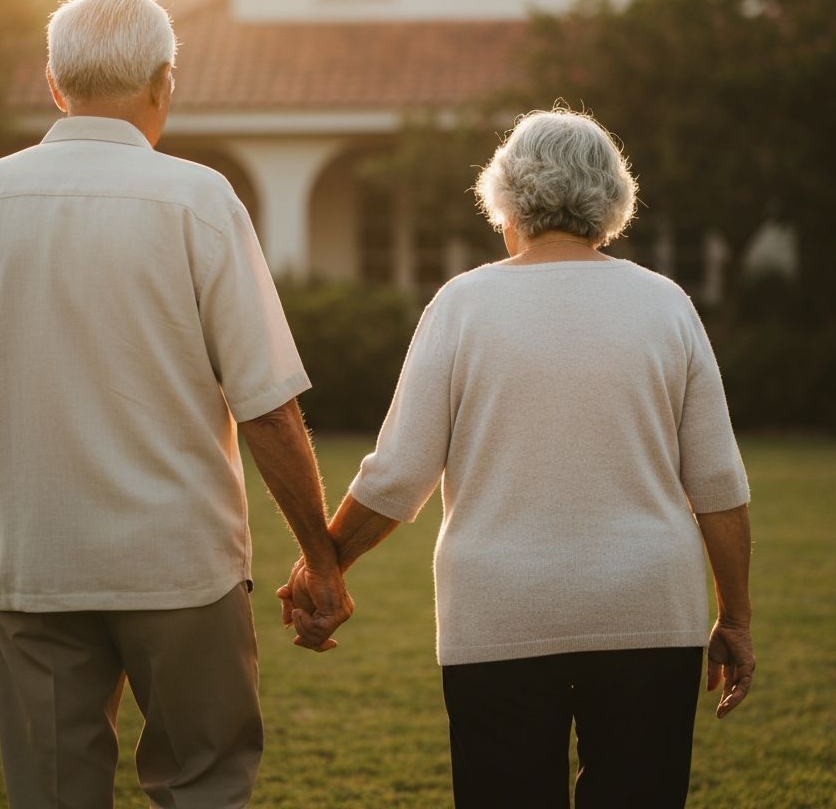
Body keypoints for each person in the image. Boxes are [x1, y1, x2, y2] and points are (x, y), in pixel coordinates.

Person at [0, 0, 352, 809]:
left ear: (53, 83)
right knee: (205, 790)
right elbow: (268, 409)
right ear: (162, 83)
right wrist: (321, 562)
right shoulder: (200, 200)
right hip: (182, 569)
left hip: (33, 564)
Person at [282, 107, 756, 809]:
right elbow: (717, 484)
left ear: (506, 198)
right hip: (650, 615)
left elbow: (400, 473)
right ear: (611, 203)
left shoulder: (462, 305)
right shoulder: (666, 306)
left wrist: (325, 567)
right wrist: (736, 619)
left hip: (497, 616)